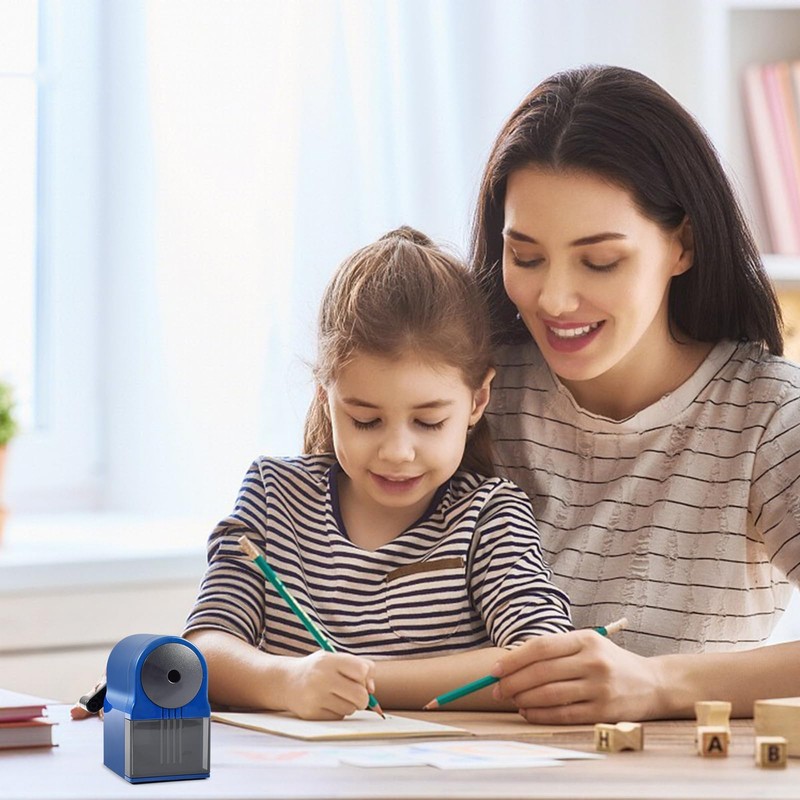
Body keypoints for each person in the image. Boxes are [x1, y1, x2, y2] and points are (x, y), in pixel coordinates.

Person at [468, 64, 800, 724]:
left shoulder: (766, 415)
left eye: (600, 261)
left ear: (683, 245)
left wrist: (658, 683)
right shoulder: (471, 391)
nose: (553, 299)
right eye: (526, 257)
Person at [183, 226, 572, 720]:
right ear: (326, 399)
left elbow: (543, 660)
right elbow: (205, 648)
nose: (397, 453)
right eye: (365, 420)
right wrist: (289, 682)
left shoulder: (488, 515)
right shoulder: (273, 495)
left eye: (429, 422)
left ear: (477, 400)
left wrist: (363, 681)